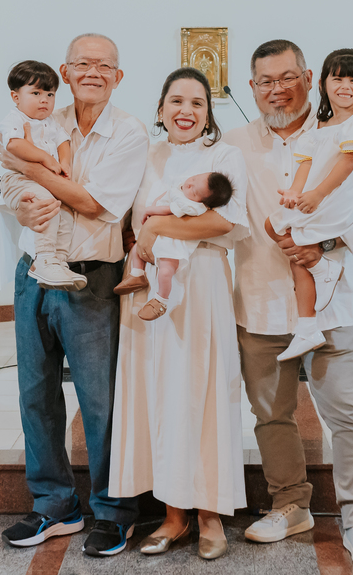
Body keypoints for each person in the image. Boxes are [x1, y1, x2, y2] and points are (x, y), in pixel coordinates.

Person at [224, 39, 353, 570]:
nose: (277, 89)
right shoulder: (232, 144)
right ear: (251, 87)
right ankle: (290, 504)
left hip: (330, 300)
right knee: (271, 416)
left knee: (348, 413)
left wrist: (327, 244)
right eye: (265, 81)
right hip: (258, 302)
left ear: (309, 76)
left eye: (287, 77)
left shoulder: (341, 135)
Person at [0, 34, 148, 557]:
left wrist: (32, 171)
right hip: (32, 274)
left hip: (92, 279)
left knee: (100, 401)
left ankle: (113, 510)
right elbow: (3, 178)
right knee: (36, 396)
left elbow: (92, 203)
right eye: (82, 63)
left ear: (118, 76)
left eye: (104, 65)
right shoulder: (44, 117)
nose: (93, 72)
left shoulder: (129, 133)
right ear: (66, 70)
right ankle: (54, 506)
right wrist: (18, 202)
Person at [109, 68, 250, 561]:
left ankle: (210, 514)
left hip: (203, 285)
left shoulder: (225, 156)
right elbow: (126, 218)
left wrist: (158, 228)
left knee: (203, 392)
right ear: (161, 108)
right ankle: (173, 515)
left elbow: (227, 220)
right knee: (160, 395)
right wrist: (144, 239)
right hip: (149, 288)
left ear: (208, 112)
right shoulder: (146, 156)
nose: (185, 111)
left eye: (196, 102)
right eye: (175, 101)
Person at [267, 49, 353, 361]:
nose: (345, 86)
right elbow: (306, 164)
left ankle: (320, 273)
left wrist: (317, 196)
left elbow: (348, 164)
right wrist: (294, 193)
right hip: (314, 203)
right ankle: (308, 324)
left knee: (298, 246)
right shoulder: (318, 128)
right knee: (276, 229)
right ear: (323, 83)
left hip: (334, 207)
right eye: (338, 78)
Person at [0, 60, 83, 291]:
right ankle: (43, 259)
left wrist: (64, 162)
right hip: (18, 181)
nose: (44, 99)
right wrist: (46, 159)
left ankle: (58, 261)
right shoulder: (15, 119)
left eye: (50, 94)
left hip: (44, 184)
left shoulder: (50, 122)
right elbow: (14, 145)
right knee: (46, 205)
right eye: (35, 93)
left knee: (65, 213)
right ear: (16, 97)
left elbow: (64, 141)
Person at [113, 170, 235, 321]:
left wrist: (150, 211)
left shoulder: (192, 206)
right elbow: (165, 197)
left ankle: (161, 301)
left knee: (165, 272)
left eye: (194, 190)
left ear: (202, 202)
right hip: (159, 237)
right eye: (194, 178)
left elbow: (169, 209)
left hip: (172, 244)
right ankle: (137, 274)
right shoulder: (183, 188)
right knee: (136, 250)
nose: (189, 184)